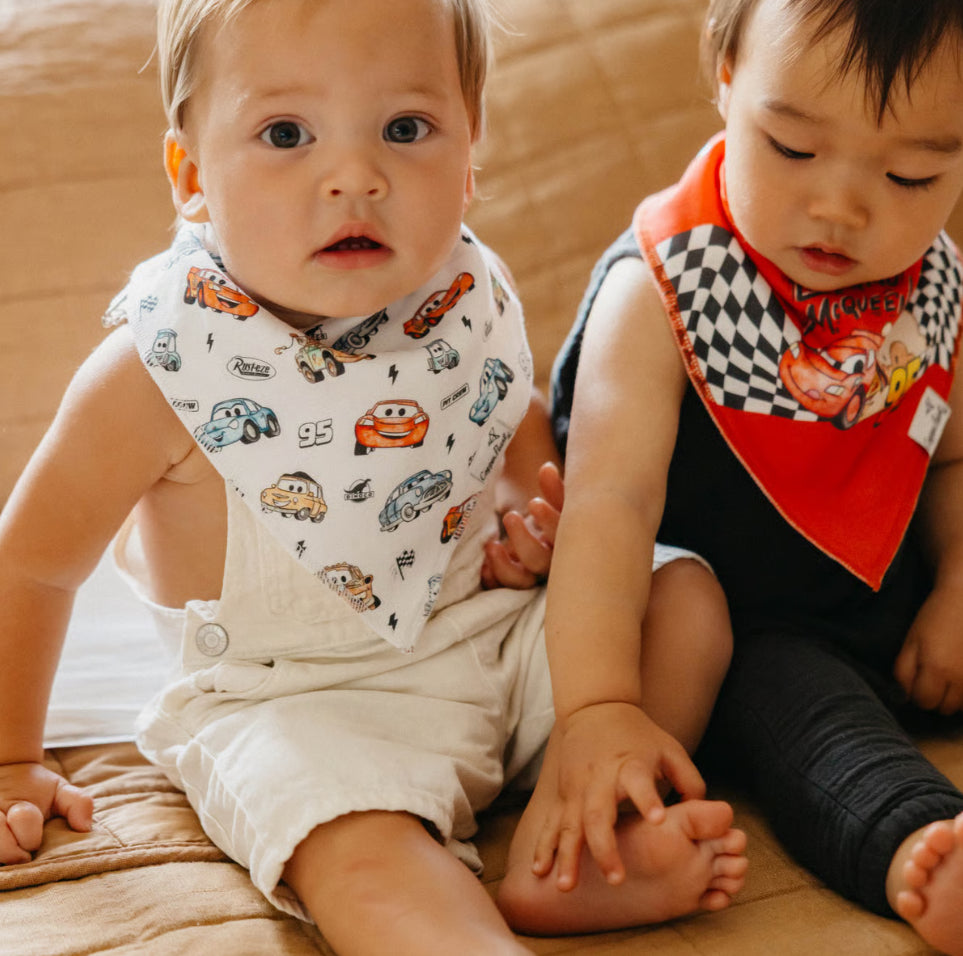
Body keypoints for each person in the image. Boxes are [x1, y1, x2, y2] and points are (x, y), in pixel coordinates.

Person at [0, 0, 747, 952]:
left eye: (404, 128)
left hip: (485, 637)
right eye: (285, 134)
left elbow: (506, 420)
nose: (355, 176)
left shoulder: (462, 297)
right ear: (190, 177)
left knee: (682, 602)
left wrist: (525, 515)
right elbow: (32, 563)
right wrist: (10, 757)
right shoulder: (162, 364)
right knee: (353, 846)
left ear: (469, 154)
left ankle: (575, 823)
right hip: (302, 705)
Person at [549, 0, 963, 952]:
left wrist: (955, 588)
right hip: (744, 632)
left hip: (901, 604)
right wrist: (599, 710)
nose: (841, 208)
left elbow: (952, 457)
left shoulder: (931, 285)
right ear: (726, 79)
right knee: (814, 723)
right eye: (791, 148)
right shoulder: (662, 291)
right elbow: (608, 507)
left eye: (911, 174)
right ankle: (920, 849)